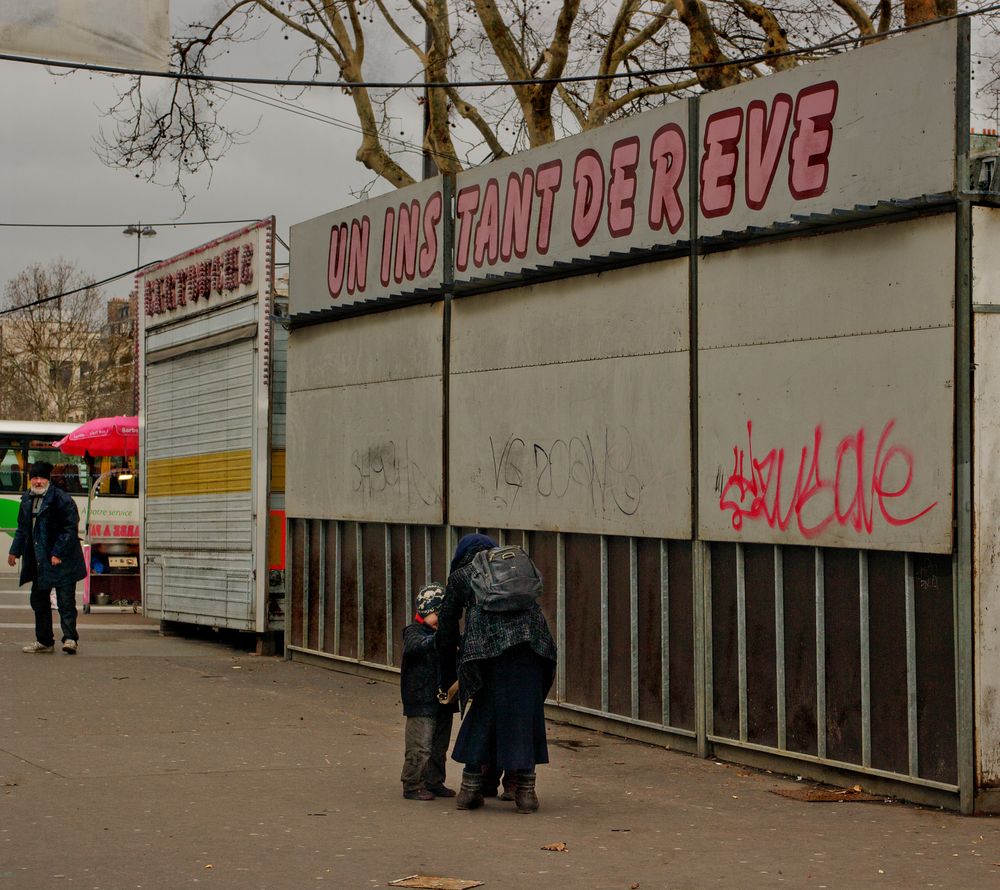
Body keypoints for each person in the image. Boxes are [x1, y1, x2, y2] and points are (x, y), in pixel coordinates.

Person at [437, 534, 557, 814]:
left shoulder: (461, 576)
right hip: (533, 647)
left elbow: (446, 628)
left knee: (484, 712)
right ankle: (525, 794)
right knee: (525, 715)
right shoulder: (513, 568)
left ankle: (469, 790)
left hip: (487, 653)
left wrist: (446, 675)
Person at [6, 461, 87, 654]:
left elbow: (69, 529)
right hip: (39, 561)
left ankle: (70, 639)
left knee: (65, 602)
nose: (38, 481)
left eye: (41, 478)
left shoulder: (62, 499)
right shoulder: (26, 499)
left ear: (48, 480)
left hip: (63, 560)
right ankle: (44, 641)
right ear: (30, 479)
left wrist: (57, 553)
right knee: (39, 601)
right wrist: (14, 551)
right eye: (35, 478)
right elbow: (22, 529)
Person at [399, 583, 457, 801]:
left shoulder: (447, 634)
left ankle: (434, 781)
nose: (440, 619)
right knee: (420, 745)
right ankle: (412, 783)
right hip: (420, 699)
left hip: (444, 699)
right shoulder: (413, 632)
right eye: (435, 614)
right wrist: (441, 638)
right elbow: (416, 647)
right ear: (424, 612)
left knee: (439, 746)